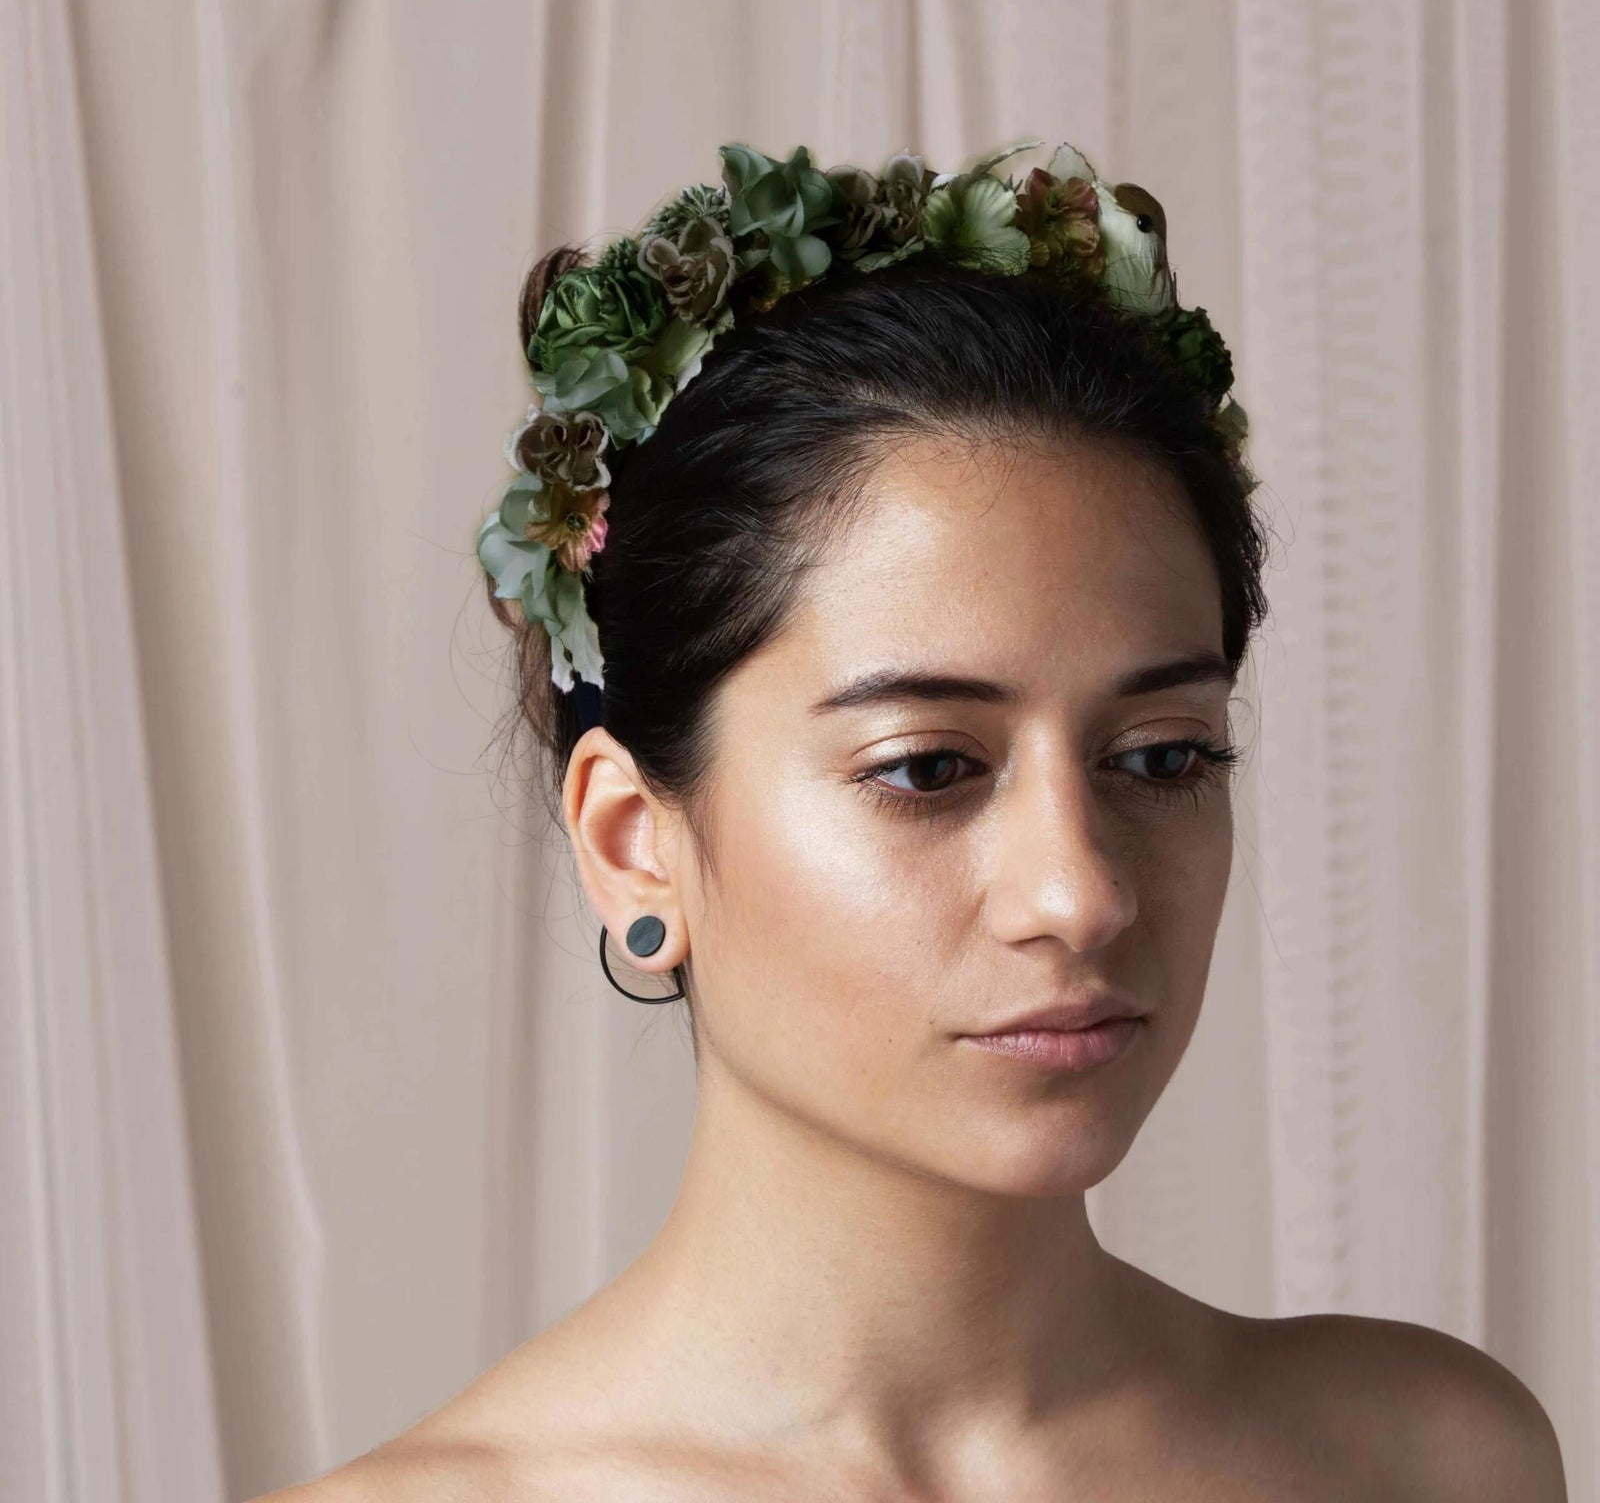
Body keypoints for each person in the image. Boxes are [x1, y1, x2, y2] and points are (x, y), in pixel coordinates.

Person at [261, 141, 1567, 1501]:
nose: (1081, 894)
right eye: (929, 768)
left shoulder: (1431, 1460)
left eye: (1163, 756)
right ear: (633, 842)